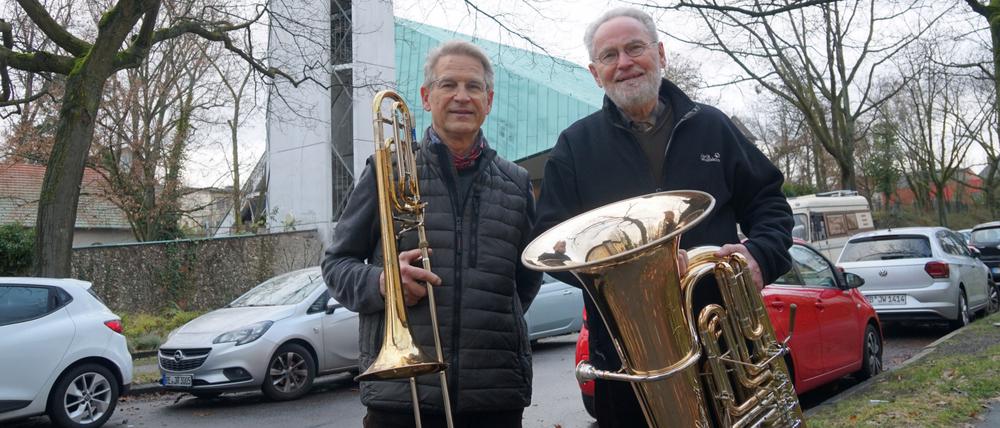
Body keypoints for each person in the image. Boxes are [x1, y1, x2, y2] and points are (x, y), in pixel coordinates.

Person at [532, 7, 794, 427]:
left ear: (661, 54)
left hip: (725, 351)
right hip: (626, 364)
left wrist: (760, 256)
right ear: (595, 73)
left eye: (635, 48)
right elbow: (552, 240)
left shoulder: (714, 127)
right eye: (609, 55)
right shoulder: (575, 146)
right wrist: (629, 274)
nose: (624, 63)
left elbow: (770, 203)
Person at [322, 40, 542, 428]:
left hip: (494, 397)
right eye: (448, 85)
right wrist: (383, 282)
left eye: (473, 87)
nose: (461, 97)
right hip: (400, 395)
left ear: (488, 101)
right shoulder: (385, 170)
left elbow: (525, 280)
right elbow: (336, 263)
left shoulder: (517, 182)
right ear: (426, 96)